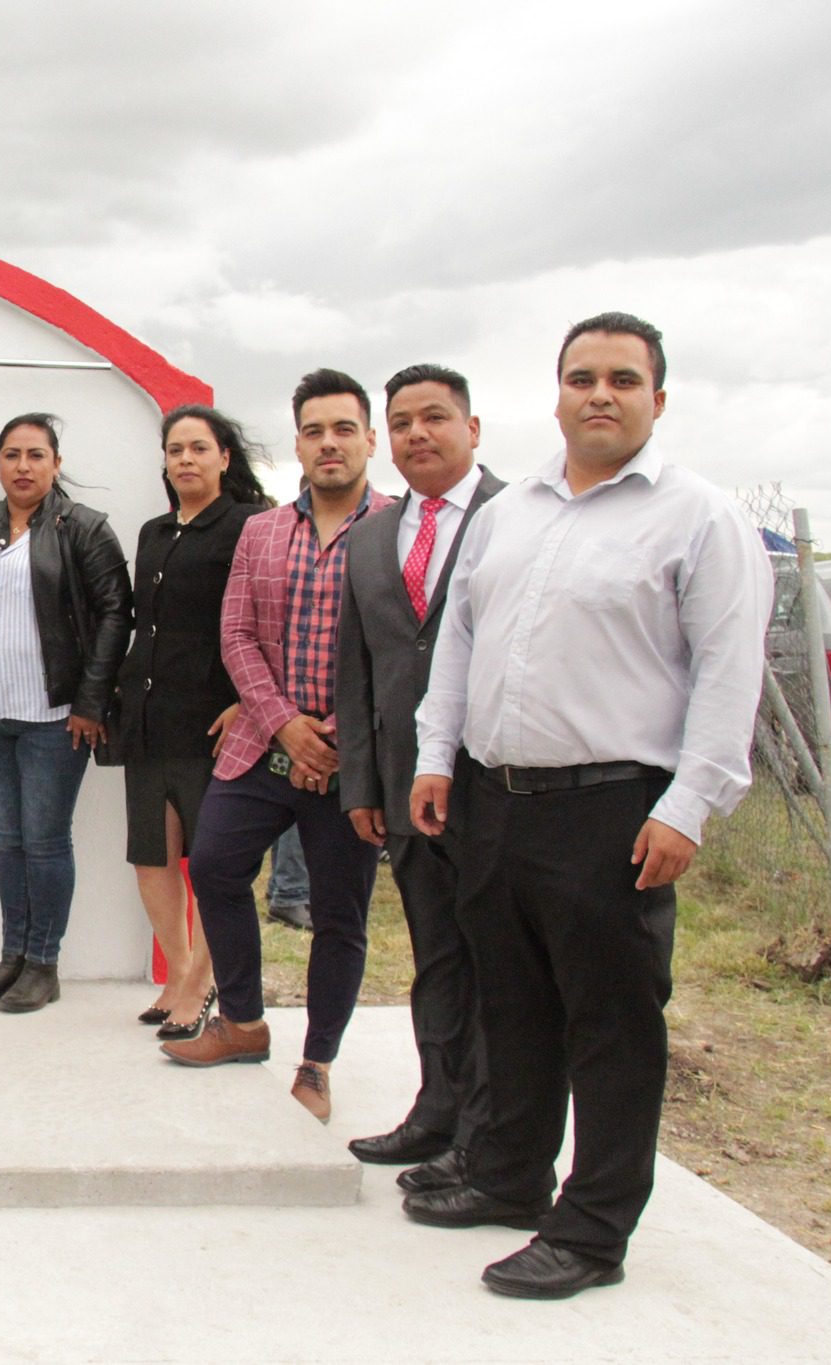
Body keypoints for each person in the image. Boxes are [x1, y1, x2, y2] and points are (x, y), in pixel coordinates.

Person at [404, 313, 768, 1298]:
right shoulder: (509, 509)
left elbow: (727, 675)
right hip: (492, 801)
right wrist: (436, 756)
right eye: (578, 377)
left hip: (610, 811)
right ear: (554, 392)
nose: (596, 394)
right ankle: (506, 1174)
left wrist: (688, 805)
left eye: (620, 378)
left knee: (608, 1026)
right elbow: (458, 646)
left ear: (656, 396)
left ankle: (593, 1227)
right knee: (511, 1007)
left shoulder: (697, 518)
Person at [163, 369, 393, 1123]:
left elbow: (405, 652)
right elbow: (236, 634)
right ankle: (243, 1021)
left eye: (343, 429)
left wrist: (340, 740)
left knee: (339, 913)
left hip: (352, 762)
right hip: (265, 742)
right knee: (219, 864)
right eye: (314, 430)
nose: (329, 444)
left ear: (368, 438)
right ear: (297, 442)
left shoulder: (395, 529)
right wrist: (286, 720)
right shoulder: (263, 530)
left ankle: (317, 1061)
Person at [336, 364, 505, 1179]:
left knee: (498, 962)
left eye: (434, 418)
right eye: (401, 422)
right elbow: (357, 668)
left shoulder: (520, 517)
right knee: (437, 955)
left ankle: (490, 1129)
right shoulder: (371, 534)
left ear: (473, 428)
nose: (417, 435)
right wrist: (362, 785)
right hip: (404, 788)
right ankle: (437, 1109)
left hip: (498, 781)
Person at [0, 413, 131, 1013]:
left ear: (56, 464)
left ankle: (44, 963)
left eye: (36, 455)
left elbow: (117, 615)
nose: (23, 466)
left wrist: (91, 703)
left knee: (44, 842)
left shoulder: (86, 530)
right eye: (12, 455)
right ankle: (12, 957)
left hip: (55, 715)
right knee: (10, 841)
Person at [114, 406, 265, 1039]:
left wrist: (246, 702)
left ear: (225, 457)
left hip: (214, 721)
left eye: (199, 448)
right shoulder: (152, 532)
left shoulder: (251, 526)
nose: (185, 460)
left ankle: (204, 980)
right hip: (147, 715)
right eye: (175, 450)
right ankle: (178, 972)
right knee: (153, 856)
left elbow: (266, 618)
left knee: (210, 862)